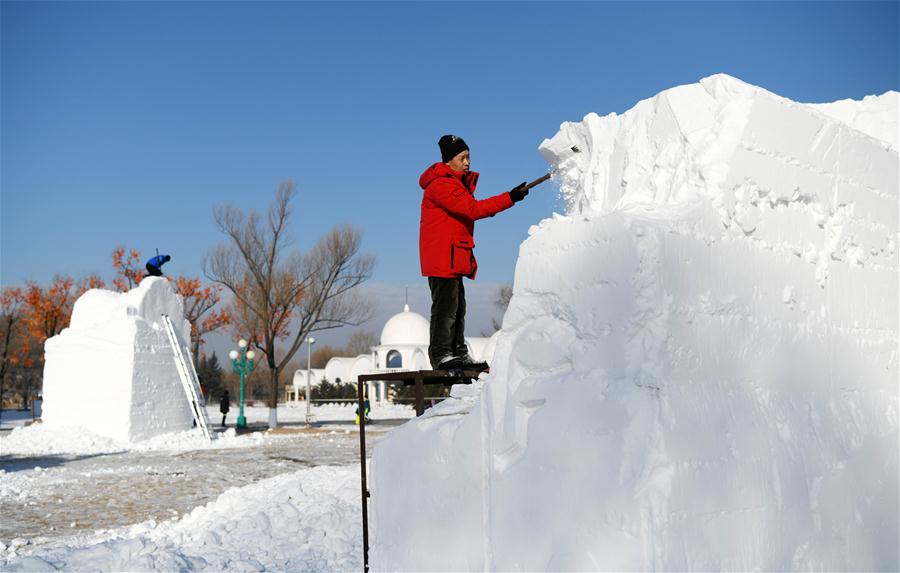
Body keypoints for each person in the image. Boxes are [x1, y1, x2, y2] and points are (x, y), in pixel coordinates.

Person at [419, 135, 530, 371]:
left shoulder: (454, 184)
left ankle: (458, 352)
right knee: (445, 308)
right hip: (442, 257)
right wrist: (510, 198)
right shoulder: (441, 185)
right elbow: (473, 209)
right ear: (449, 161)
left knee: (458, 307)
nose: (468, 162)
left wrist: (510, 197)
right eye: (462, 157)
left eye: (468, 157)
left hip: (453, 255)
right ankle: (441, 354)